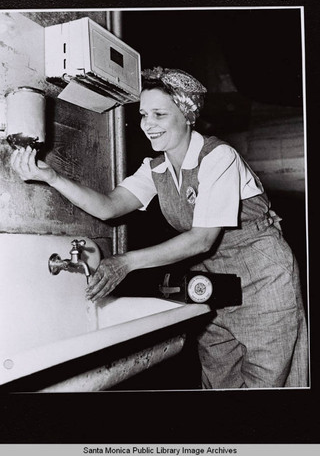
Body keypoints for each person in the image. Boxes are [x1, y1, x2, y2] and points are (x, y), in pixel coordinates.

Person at [10, 66, 308, 389]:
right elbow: (109, 206)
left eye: (159, 115)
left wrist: (125, 262)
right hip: (214, 284)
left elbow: (202, 239)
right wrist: (51, 177)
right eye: (142, 115)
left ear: (187, 115)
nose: (147, 125)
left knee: (268, 387)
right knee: (219, 381)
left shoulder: (219, 157)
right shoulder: (157, 168)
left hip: (264, 278)